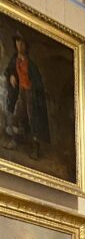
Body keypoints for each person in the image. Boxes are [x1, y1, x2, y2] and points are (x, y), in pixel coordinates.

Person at [3, 33, 49, 161]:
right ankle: (15, 140)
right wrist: (12, 75)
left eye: (22, 43)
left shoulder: (31, 64)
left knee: (33, 119)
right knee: (17, 115)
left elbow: (37, 82)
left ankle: (36, 148)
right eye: (18, 43)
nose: (19, 46)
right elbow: (9, 70)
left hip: (31, 93)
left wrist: (34, 91)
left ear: (26, 46)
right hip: (21, 92)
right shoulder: (15, 59)